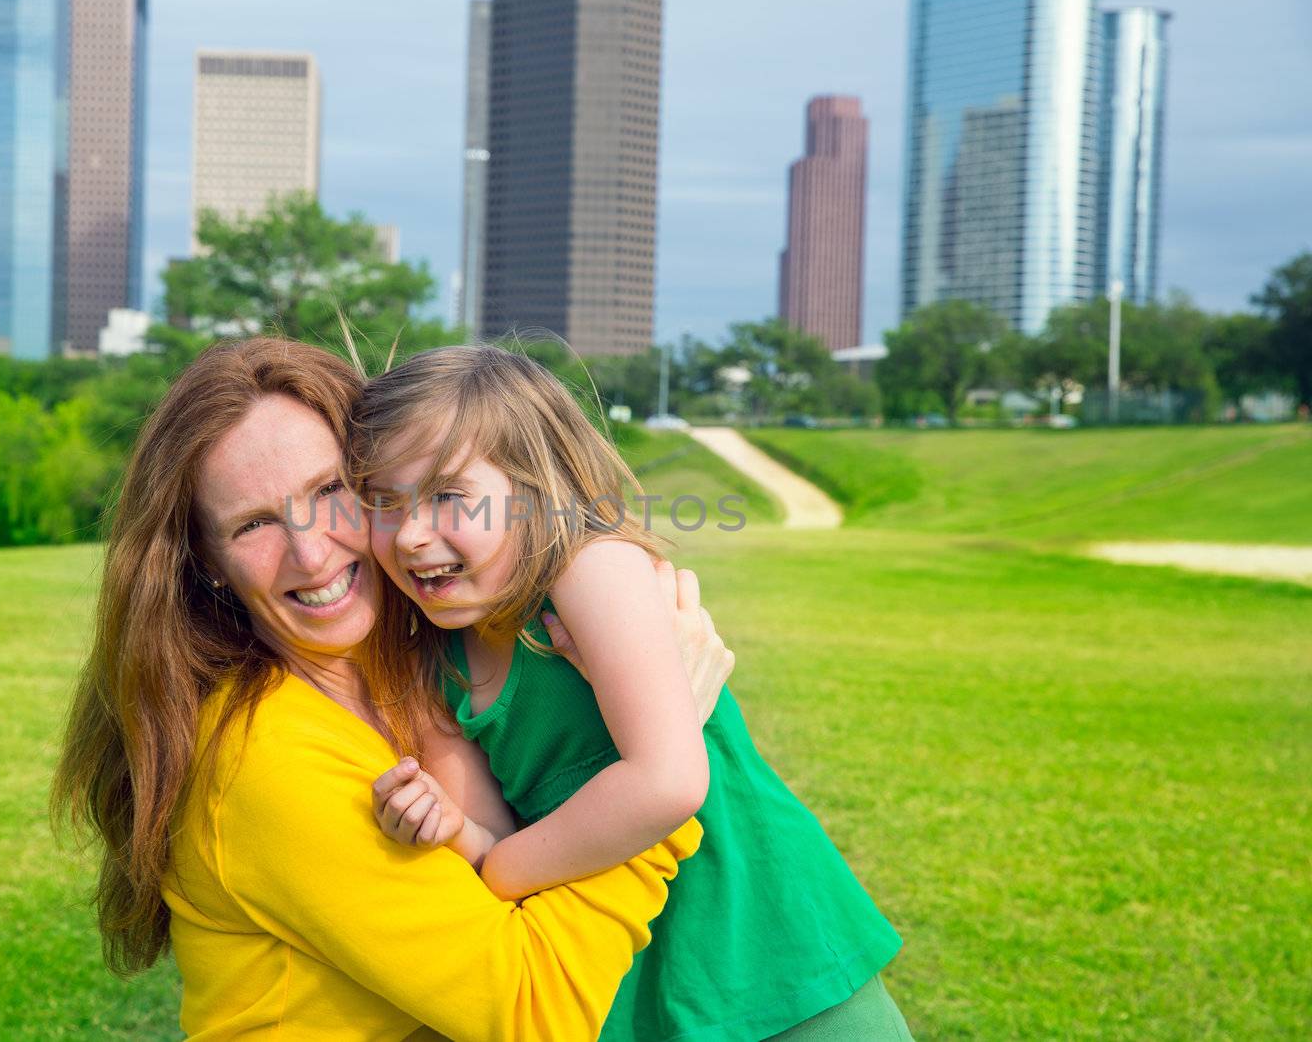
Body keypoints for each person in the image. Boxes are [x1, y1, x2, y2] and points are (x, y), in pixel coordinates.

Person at [51, 336, 733, 1040]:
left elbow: (490, 876)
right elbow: (533, 1008)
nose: (311, 553)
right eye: (253, 523)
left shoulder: (409, 680)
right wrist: (661, 750)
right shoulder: (267, 757)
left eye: (331, 493)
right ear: (208, 561)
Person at [348, 344, 913, 1042]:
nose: (409, 534)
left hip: (761, 937)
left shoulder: (590, 568)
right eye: (382, 501)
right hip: (624, 964)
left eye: (446, 496)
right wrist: (446, 826)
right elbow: (495, 834)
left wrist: (500, 868)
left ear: (534, 490)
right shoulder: (434, 661)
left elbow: (666, 780)